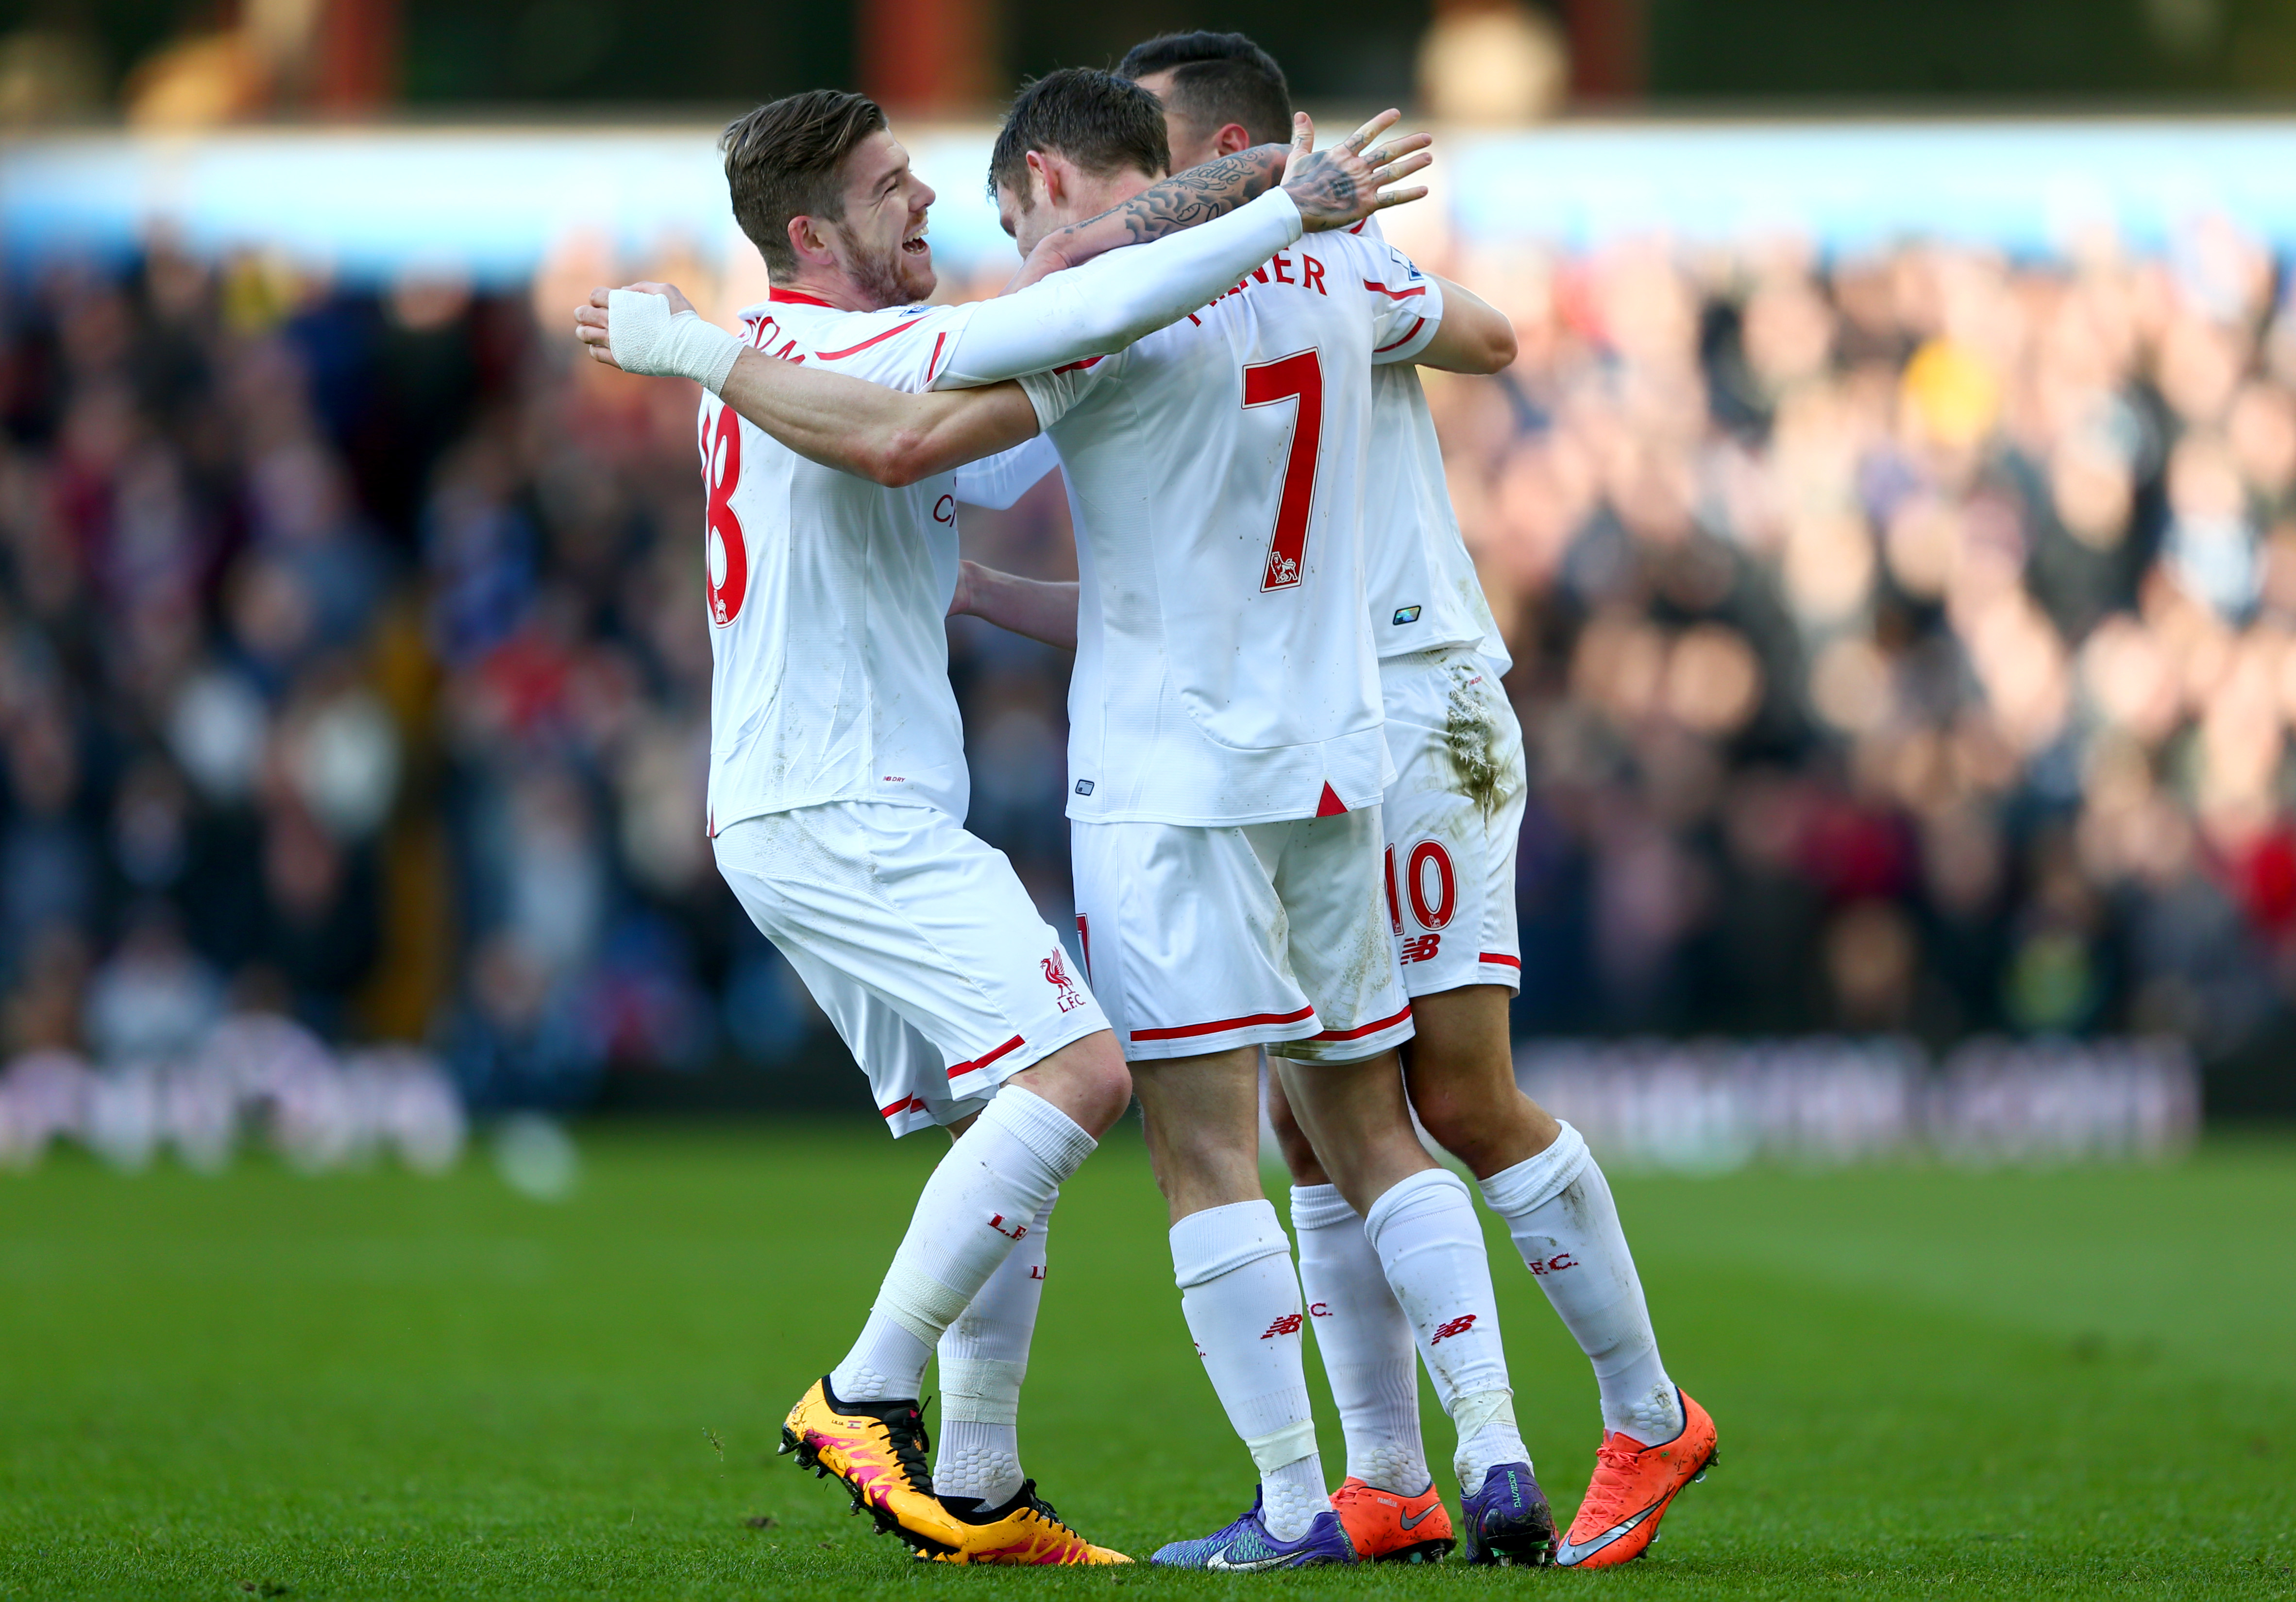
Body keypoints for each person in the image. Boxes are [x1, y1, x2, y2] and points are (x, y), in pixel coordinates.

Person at [592, 70, 1561, 1570]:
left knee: (1045, 1118)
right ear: (812, 234)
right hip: (876, 797)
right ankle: (867, 1390)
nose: (927, 199)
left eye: (942, 183)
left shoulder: (817, 352)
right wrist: (1281, 207)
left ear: (1045, 175)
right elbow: (932, 414)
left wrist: (1236, 208)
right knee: (1090, 1075)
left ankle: (984, 1477)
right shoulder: (836, 350)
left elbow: (1041, 344)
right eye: (891, 186)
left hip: (987, 789)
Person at [1124, 30, 1720, 1571]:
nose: (1130, 175)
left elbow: (1499, 336)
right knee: (1316, 1110)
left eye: (1151, 142)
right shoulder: (1197, 280)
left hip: (1413, 701)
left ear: (1233, 151)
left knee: (1454, 1095)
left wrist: (1331, 228)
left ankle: (1648, 1412)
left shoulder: (1298, 265)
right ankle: (1387, 1475)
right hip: (1315, 717)